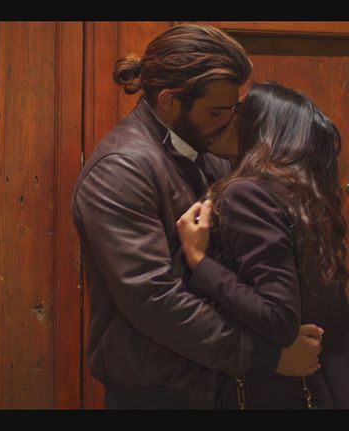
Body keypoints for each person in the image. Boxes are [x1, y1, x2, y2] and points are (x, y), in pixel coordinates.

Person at [71, 24, 323, 409]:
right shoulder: (120, 170)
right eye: (216, 111)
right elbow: (154, 299)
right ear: (169, 101)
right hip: (157, 395)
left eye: (233, 109)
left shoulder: (205, 148)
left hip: (218, 384)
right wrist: (264, 355)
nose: (229, 121)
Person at [177, 81, 349, 409]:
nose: (225, 118)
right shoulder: (300, 197)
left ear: (262, 128)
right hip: (338, 385)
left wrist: (200, 262)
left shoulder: (246, 193)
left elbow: (279, 317)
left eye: (239, 111)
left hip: (288, 392)